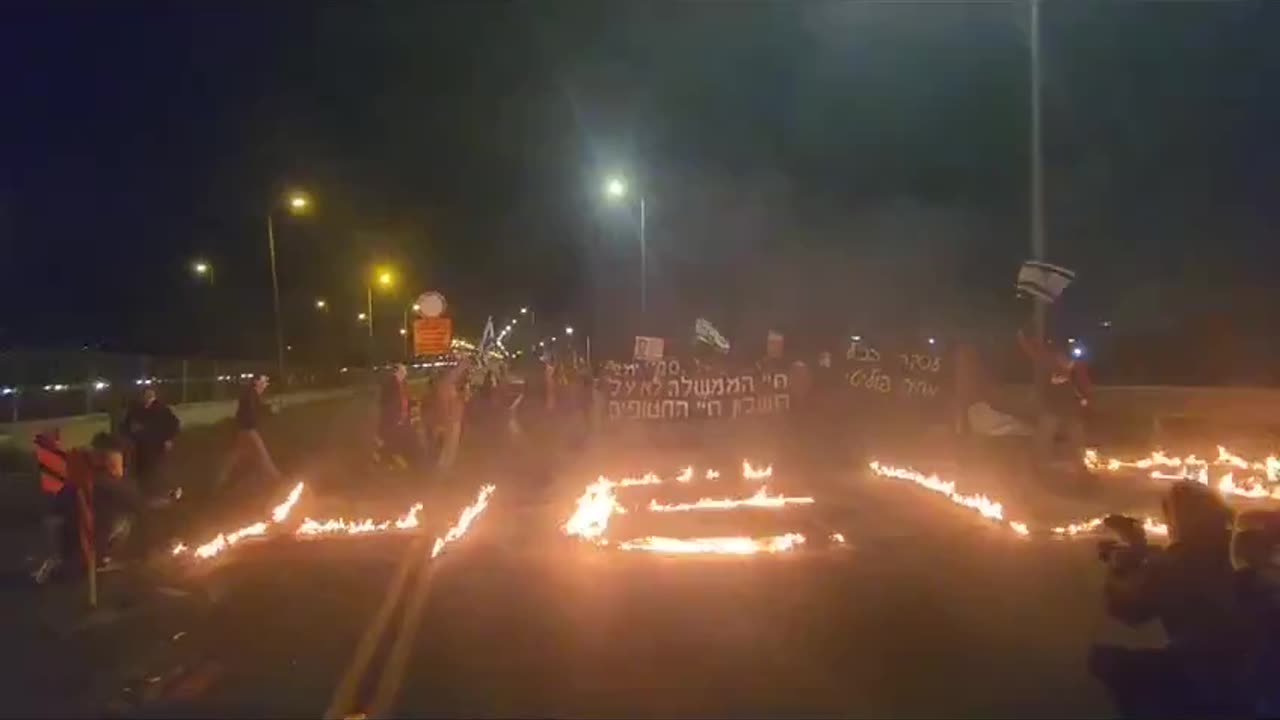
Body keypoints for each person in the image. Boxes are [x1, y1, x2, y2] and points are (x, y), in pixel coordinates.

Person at [1089, 482, 1255, 717]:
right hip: (1250, 672)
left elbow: (1129, 610)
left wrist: (1119, 566)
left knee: (1105, 661)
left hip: (1203, 674)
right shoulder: (1238, 547)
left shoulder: (1177, 561)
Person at [34, 433, 148, 583]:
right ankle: (78, 559)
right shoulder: (106, 484)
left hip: (90, 537)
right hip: (84, 539)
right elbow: (138, 506)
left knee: (53, 521)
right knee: (126, 520)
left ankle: (68, 559)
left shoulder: (80, 480)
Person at [1017, 329, 1091, 472]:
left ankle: (1079, 465)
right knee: (1045, 434)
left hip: (1070, 408)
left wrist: (1086, 399)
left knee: (1077, 435)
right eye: (1063, 359)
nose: (1066, 362)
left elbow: (1085, 385)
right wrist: (1022, 339)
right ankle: (1039, 464)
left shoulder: (1078, 368)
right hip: (1053, 407)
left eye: (1068, 361)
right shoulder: (1049, 361)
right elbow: (1033, 352)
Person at [214, 374, 282, 492]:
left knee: (233, 457)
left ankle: (219, 483)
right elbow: (250, 412)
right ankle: (277, 479)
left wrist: (269, 409)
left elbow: (257, 408)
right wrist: (269, 410)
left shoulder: (252, 394)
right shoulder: (250, 395)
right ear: (256, 382)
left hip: (243, 429)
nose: (266, 385)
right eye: (264, 382)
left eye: (266, 382)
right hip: (247, 430)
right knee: (262, 454)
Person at [121, 386, 180, 497]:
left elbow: (174, 424)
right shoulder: (136, 409)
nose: (148, 396)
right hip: (141, 446)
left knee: (158, 469)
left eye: (150, 394)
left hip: (157, 445)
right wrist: (130, 436)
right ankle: (146, 494)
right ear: (142, 396)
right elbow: (126, 425)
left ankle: (168, 491)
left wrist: (168, 439)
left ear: (154, 395)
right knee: (142, 471)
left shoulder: (162, 409)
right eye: (146, 394)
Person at [376, 364, 418, 470]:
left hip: (403, 418)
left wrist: (413, 402)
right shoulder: (390, 385)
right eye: (403, 372)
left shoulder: (403, 383)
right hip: (393, 419)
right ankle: (386, 462)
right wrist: (393, 415)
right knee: (391, 441)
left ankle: (398, 461)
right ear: (397, 372)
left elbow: (405, 398)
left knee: (401, 440)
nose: (405, 374)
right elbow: (386, 402)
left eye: (405, 372)